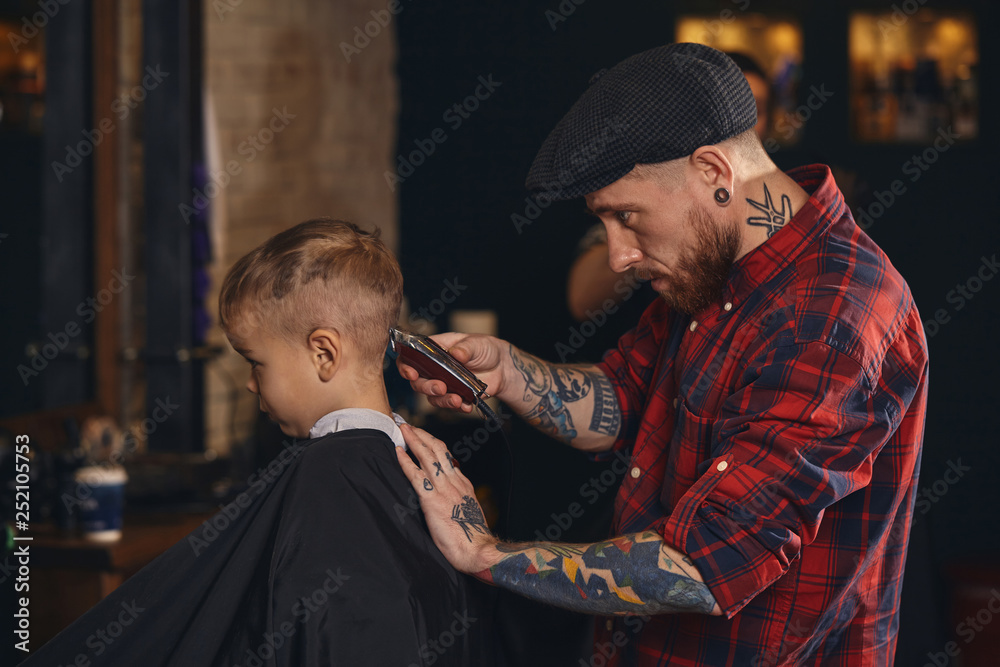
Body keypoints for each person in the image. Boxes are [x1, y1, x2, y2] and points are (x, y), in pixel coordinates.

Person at [394, 43, 928, 666]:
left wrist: (482, 554)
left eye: (628, 216)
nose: (618, 256)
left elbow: (706, 564)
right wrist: (509, 371)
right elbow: (625, 399)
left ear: (712, 171)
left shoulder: (832, 318)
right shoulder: (715, 264)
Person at [23, 219, 491, 666]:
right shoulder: (411, 461)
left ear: (324, 353)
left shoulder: (329, 477)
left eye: (255, 362)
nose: (250, 384)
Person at [566, 51, 771, 326]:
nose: (740, 124)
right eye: (719, 111)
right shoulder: (639, 188)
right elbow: (583, 300)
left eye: (756, 110)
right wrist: (647, 231)